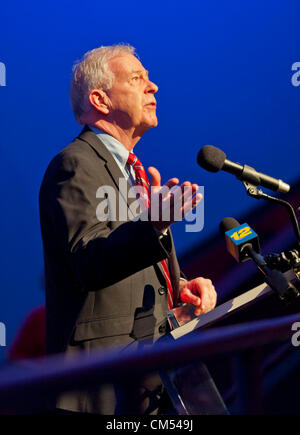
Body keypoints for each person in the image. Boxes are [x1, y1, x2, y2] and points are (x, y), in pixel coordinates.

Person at [39, 44, 217, 415]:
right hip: (100, 392)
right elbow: (90, 261)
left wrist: (181, 288)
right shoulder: (75, 164)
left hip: (147, 381)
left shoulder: (130, 170)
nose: (153, 88)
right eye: (137, 79)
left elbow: (128, 265)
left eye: (149, 79)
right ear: (100, 100)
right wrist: (154, 224)